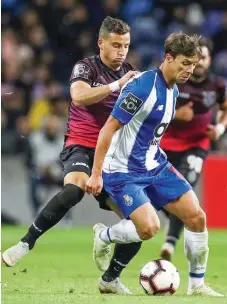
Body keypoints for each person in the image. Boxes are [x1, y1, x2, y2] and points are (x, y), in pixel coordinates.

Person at [3, 16, 141, 295]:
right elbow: (79, 97)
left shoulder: (132, 74)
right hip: (81, 145)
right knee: (73, 190)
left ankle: (110, 278)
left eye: (125, 45)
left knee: (139, 222)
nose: (121, 51)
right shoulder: (86, 67)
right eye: (116, 45)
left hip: (112, 156)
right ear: (101, 43)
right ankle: (25, 243)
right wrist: (117, 86)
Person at [86, 32, 224, 297]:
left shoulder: (174, 88)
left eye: (193, 64)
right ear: (168, 58)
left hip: (154, 165)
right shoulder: (142, 86)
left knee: (197, 217)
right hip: (123, 170)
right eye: (184, 63)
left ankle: (197, 286)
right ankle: (104, 236)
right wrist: (96, 174)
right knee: (148, 228)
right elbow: (108, 129)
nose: (189, 70)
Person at [159, 38, 227, 261]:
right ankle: (177, 219)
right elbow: (155, 109)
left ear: (209, 61)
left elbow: (225, 110)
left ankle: (170, 243)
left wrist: (220, 128)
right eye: (196, 59)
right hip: (165, 144)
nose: (199, 63)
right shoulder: (176, 80)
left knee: (184, 187)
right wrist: (177, 116)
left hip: (196, 145)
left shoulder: (217, 85)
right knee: (160, 194)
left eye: (204, 58)